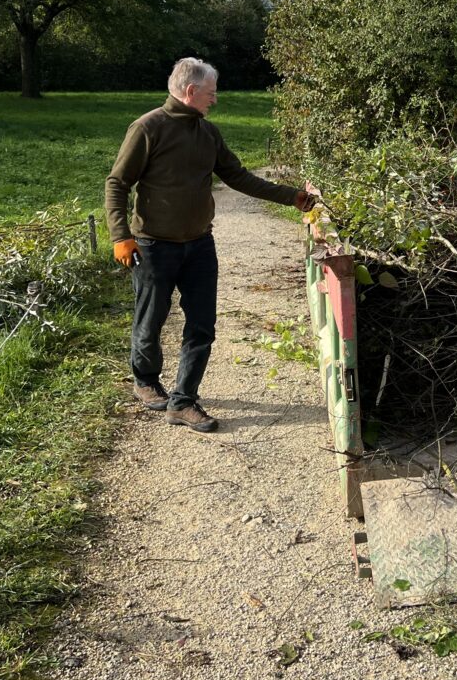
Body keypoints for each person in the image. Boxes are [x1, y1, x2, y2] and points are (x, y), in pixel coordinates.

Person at [105, 57, 314, 433]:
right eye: (211, 94)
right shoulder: (148, 128)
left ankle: (183, 401)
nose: (214, 101)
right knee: (150, 321)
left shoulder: (208, 133)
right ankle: (146, 380)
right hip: (154, 246)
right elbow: (117, 183)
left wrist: (290, 197)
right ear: (191, 91)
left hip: (200, 245)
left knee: (202, 325)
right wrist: (121, 235)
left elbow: (237, 177)